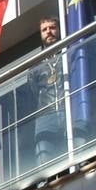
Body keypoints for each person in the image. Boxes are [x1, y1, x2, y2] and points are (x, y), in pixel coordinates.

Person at [27, 16, 67, 166]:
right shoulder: (36, 65)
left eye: (52, 28)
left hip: (68, 108)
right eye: (44, 30)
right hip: (46, 114)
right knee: (45, 161)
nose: (49, 32)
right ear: (41, 34)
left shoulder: (67, 52)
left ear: (58, 29)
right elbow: (32, 93)